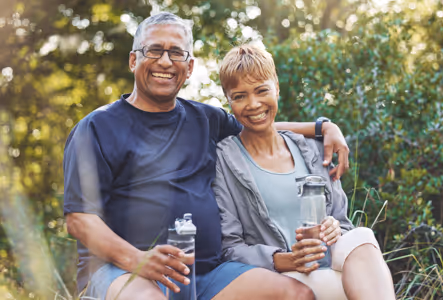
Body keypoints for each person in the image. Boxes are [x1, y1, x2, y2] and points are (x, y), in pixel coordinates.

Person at [63, 12, 351, 300]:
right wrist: (137, 259)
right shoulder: (95, 128)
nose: (165, 61)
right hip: (123, 271)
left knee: (295, 294)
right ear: (133, 60)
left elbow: (258, 123)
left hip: (208, 272)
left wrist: (322, 127)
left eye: (176, 53)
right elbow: (79, 219)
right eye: (154, 50)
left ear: (189, 67)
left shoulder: (205, 119)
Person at [213, 44, 396, 300]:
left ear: (276, 87)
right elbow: (230, 247)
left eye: (261, 90)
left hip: (332, 268)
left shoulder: (313, 149)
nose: (253, 104)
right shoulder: (224, 160)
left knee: (363, 236)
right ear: (228, 99)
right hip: (282, 280)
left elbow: (343, 224)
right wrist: (286, 260)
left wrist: (334, 229)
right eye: (240, 96)